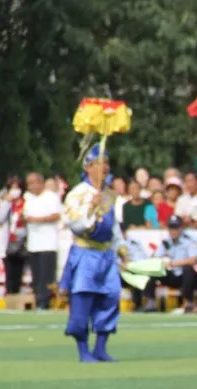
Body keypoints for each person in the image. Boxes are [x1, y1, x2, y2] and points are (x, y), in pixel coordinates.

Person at [61, 145, 123, 362]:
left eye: (106, 162)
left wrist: (122, 248)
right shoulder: (77, 194)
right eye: (99, 163)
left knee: (110, 297)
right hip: (86, 254)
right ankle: (83, 350)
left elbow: (114, 225)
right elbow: (76, 224)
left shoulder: (110, 194)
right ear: (88, 167)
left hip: (106, 255)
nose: (104, 167)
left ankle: (101, 347)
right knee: (82, 300)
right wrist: (90, 208)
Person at [23, 172, 63, 309]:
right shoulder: (28, 199)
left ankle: (44, 301)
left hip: (48, 243)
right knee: (36, 275)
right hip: (33, 243)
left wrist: (38, 220)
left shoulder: (51, 197)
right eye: (29, 183)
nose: (32, 186)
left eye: (34, 182)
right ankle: (36, 298)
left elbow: (56, 215)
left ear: (41, 182)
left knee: (46, 275)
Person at [148, 216, 197, 313]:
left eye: (175, 228)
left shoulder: (189, 240)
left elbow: (193, 260)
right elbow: (156, 257)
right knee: (153, 268)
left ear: (181, 228)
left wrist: (172, 263)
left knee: (188, 269)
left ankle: (188, 301)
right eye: (171, 228)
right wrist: (160, 261)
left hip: (184, 276)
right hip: (171, 274)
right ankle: (151, 301)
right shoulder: (166, 242)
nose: (173, 231)